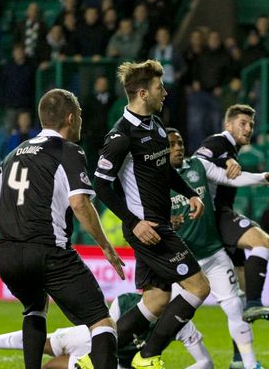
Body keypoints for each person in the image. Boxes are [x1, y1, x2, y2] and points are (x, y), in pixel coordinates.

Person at [0, 89, 125, 369]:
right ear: (71, 117)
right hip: (47, 252)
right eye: (80, 116)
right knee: (102, 323)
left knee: (35, 307)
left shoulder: (14, 154)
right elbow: (79, 203)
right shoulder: (69, 151)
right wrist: (106, 247)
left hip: (7, 255)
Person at [93, 59, 211, 368]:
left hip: (158, 225)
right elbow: (101, 186)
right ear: (143, 93)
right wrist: (133, 222)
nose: (166, 93)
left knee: (157, 300)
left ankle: (95, 358)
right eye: (160, 88)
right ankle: (147, 356)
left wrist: (189, 193)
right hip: (149, 229)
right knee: (199, 287)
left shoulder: (156, 125)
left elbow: (163, 171)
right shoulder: (120, 136)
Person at [169, 128, 269, 369]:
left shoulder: (198, 166)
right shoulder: (153, 179)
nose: (178, 147)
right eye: (172, 144)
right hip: (181, 261)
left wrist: (260, 177)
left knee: (235, 306)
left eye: (180, 142)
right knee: (165, 318)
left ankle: (249, 364)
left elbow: (228, 177)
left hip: (214, 254)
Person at [0, 291, 212, 369]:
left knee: (49, 368)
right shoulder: (126, 302)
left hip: (117, 365)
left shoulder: (179, 321)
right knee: (42, 344)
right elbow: (106, 333)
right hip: (93, 342)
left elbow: (205, 363)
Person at [195, 104, 269, 323]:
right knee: (262, 241)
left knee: (239, 291)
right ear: (228, 125)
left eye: (251, 125)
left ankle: (240, 357)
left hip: (216, 217)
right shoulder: (219, 141)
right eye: (242, 123)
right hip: (215, 215)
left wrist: (230, 160)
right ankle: (254, 303)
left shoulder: (231, 149)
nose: (248, 129)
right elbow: (196, 163)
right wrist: (225, 160)